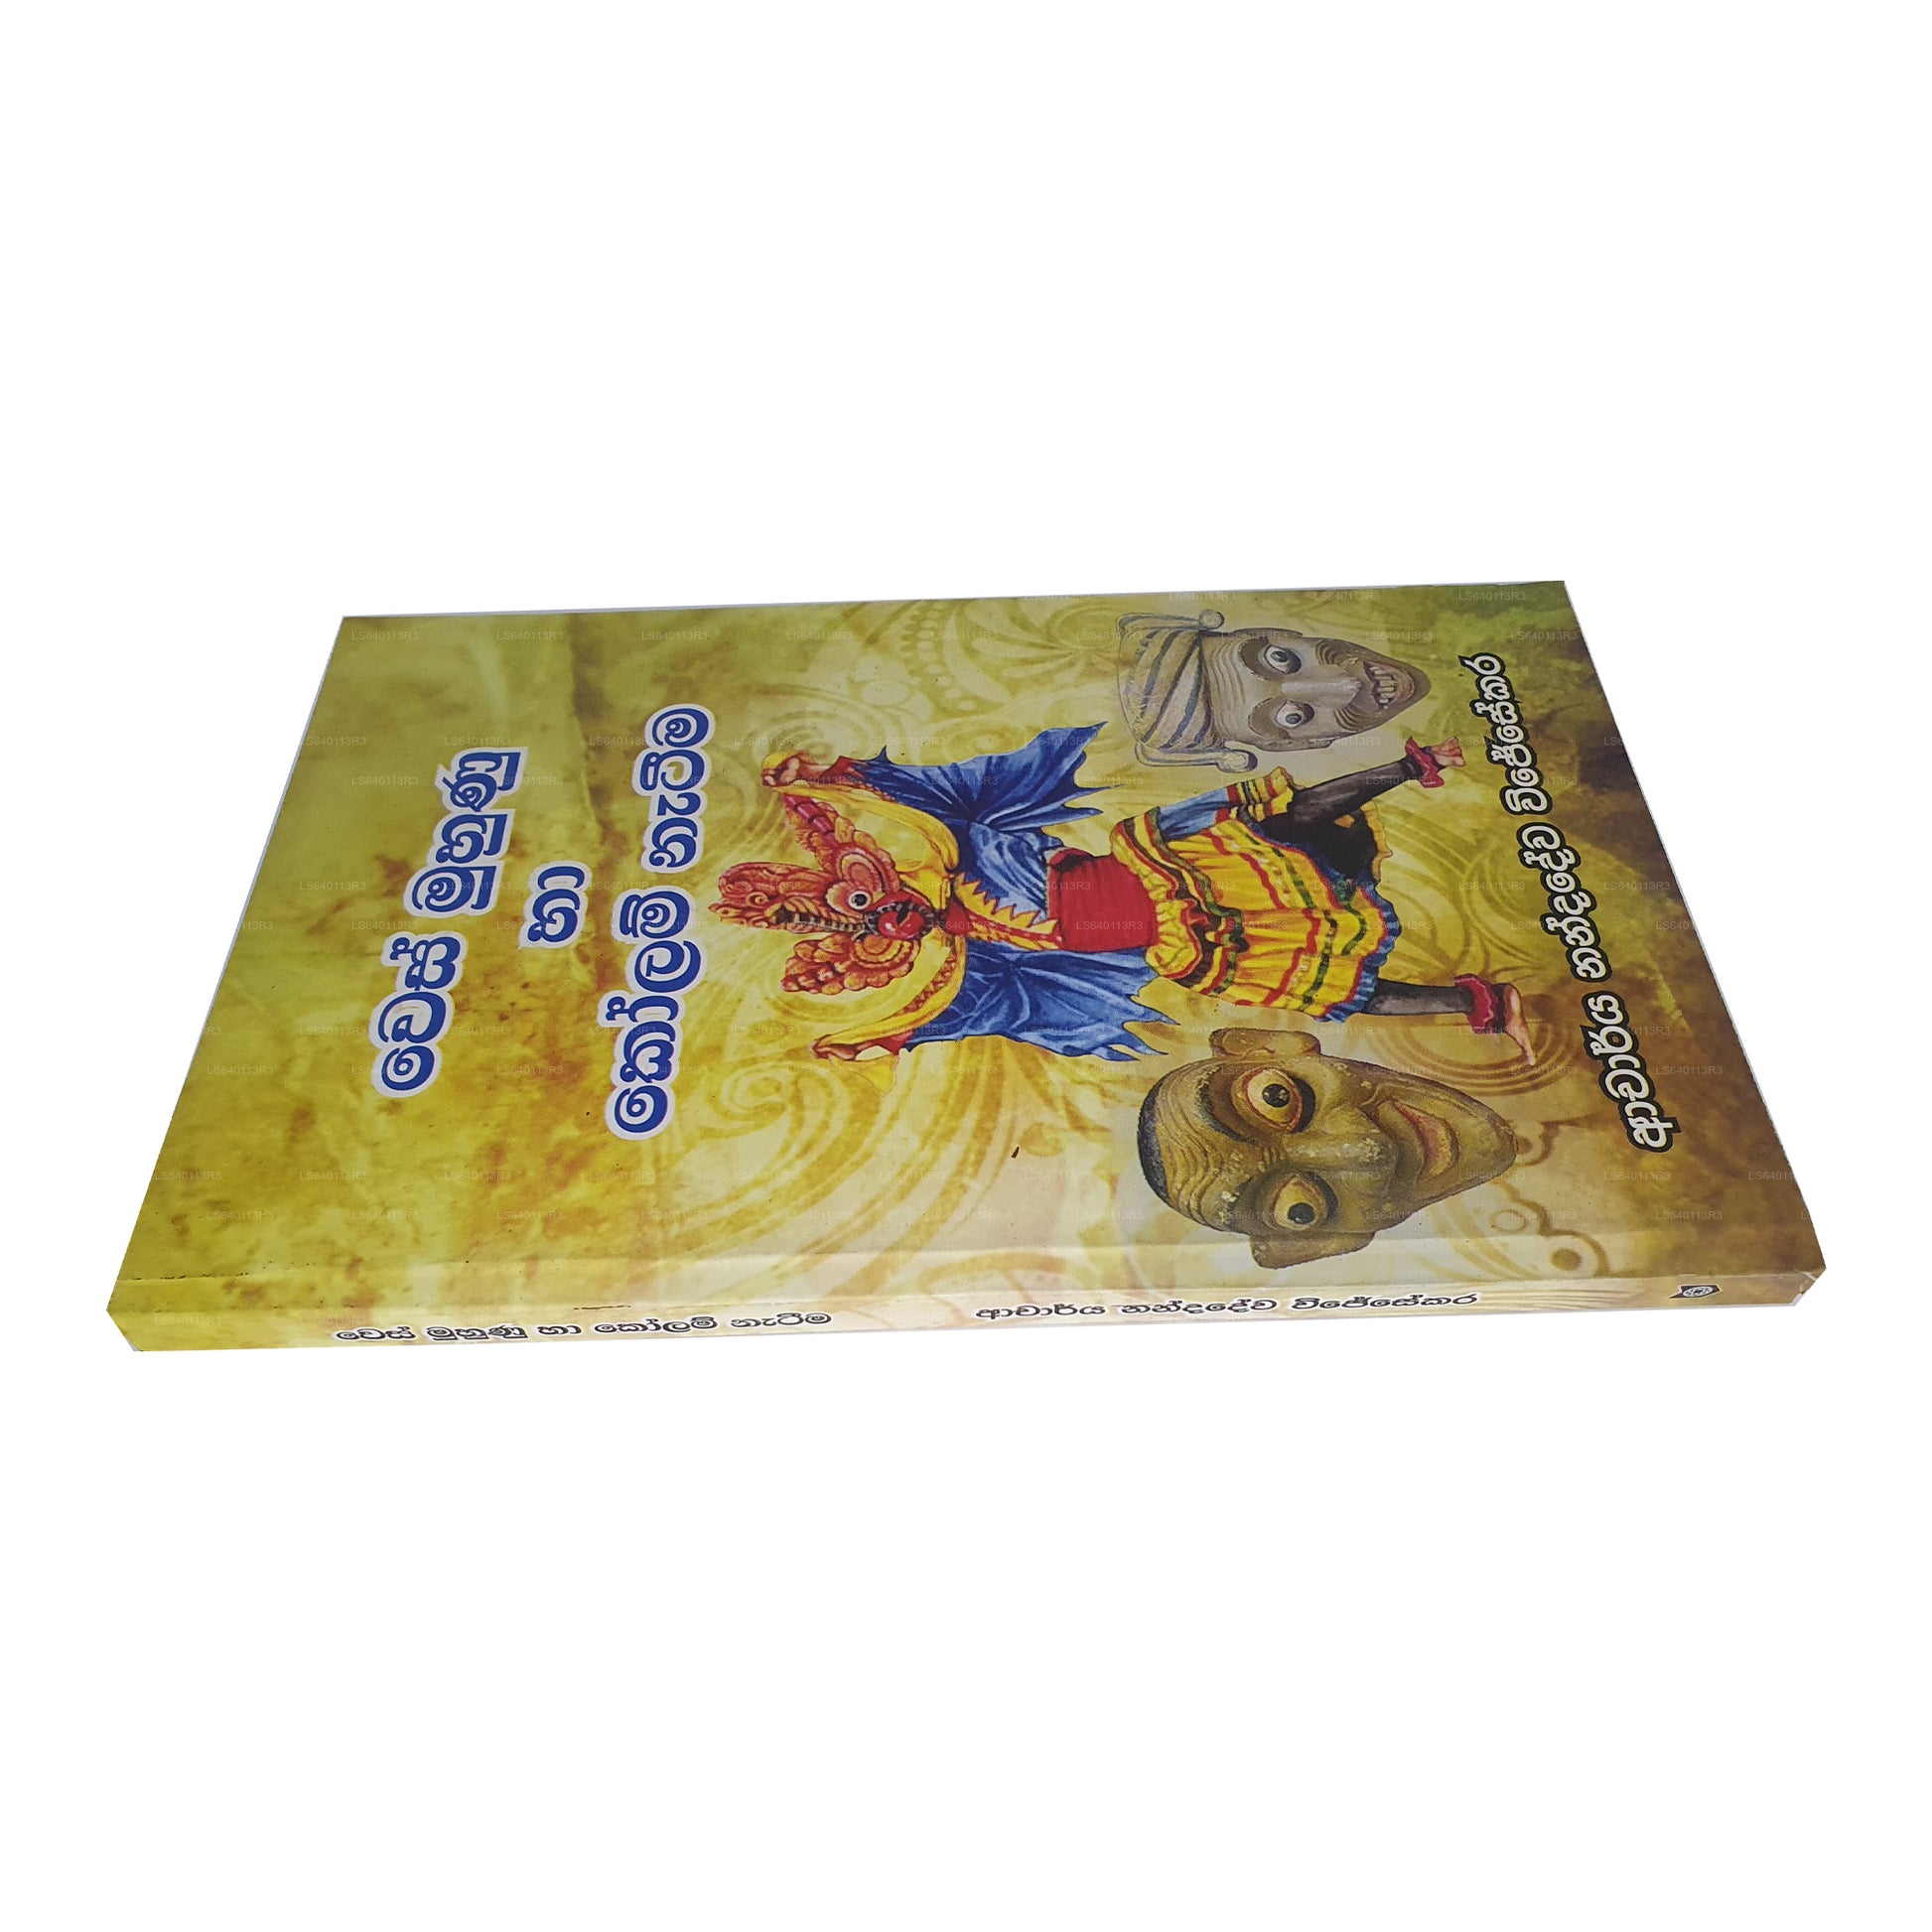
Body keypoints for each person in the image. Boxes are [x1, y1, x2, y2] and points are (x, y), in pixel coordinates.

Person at [712, 724, 1532, 1062]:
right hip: (1189, 942)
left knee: (1283, 820)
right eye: (872, 932)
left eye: (865, 903)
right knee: (1323, 989)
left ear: (873, 877)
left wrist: (835, 777)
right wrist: (877, 1038)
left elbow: (919, 795)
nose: (891, 921)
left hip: (1167, 871)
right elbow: (946, 1013)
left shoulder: (963, 845)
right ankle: (1478, 1005)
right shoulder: (969, 959)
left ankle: (1410, 767)